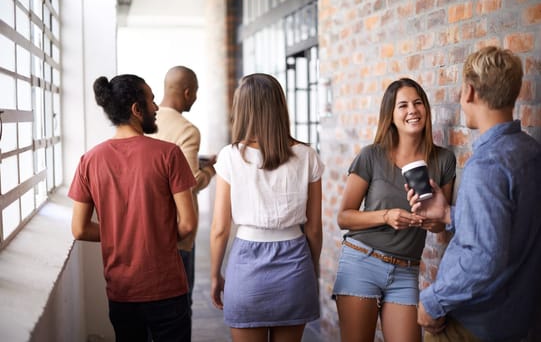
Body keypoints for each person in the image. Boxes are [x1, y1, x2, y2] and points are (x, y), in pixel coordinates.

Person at [408, 46, 541, 342]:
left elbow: (485, 256)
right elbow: (510, 229)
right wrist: (447, 214)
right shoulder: (532, 152)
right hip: (519, 321)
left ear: (468, 91)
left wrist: (432, 301)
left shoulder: (487, 164)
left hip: (472, 326)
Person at [69, 74, 197, 342]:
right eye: (151, 100)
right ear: (136, 110)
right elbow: (187, 224)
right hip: (166, 288)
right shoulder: (169, 154)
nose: (157, 107)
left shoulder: (89, 160)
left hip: (121, 291)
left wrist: (122, 234)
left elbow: (79, 229)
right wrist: (152, 236)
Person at [332, 78, 456, 342]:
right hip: (361, 262)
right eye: (403, 105)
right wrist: (387, 216)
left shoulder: (444, 160)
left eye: (418, 103)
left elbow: (441, 226)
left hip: (406, 270)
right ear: (391, 115)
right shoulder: (371, 156)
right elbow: (344, 217)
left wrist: (428, 220)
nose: (412, 110)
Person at [209, 73, 324, 342]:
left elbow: (219, 228)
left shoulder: (230, 156)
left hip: (246, 266)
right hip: (295, 261)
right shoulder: (307, 155)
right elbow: (315, 228)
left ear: (242, 109)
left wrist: (215, 275)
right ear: (279, 107)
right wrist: (312, 267)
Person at [149, 65, 216, 314]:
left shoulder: (145, 122)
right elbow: (190, 181)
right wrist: (211, 170)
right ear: (188, 92)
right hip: (178, 231)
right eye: (195, 93)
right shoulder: (186, 130)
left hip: (148, 227)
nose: (196, 98)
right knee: (178, 308)